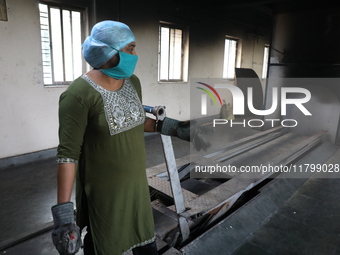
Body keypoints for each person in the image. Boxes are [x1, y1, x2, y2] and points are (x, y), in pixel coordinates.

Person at [51, 20, 210, 255]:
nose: (134, 55)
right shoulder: (78, 95)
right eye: (130, 48)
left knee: (144, 241)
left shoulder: (132, 83)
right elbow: (67, 155)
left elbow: (131, 119)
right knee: (105, 243)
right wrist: (64, 215)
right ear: (108, 51)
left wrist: (173, 127)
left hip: (136, 184)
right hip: (105, 192)